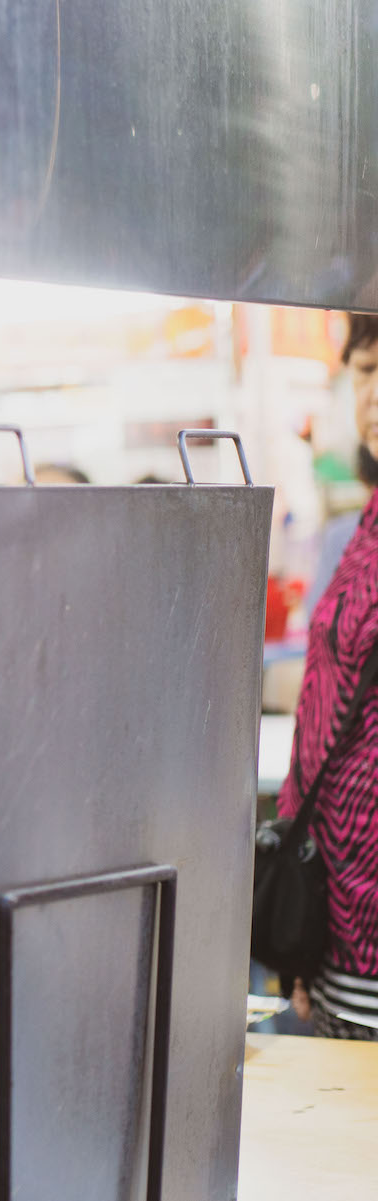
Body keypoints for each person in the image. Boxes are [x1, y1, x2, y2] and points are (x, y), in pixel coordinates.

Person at [280, 312, 378, 1041]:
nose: (372, 393)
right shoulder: (360, 531)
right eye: (366, 372)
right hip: (335, 911)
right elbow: (317, 715)